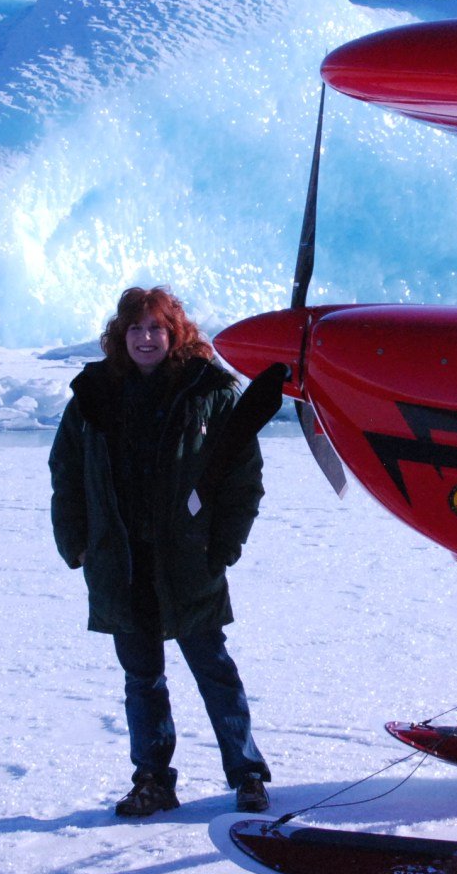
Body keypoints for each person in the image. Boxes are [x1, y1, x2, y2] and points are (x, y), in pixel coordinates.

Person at [49, 285, 287, 818]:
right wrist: (78, 543)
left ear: (174, 333)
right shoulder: (93, 394)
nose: (145, 338)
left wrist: (224, 546)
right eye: (135, 328)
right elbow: (66, 472)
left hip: (188, 558)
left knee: (214, 670)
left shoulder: (209, 392)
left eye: (156, 327)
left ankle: (247, 774)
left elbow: (243, 477)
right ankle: (153, 780)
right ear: (120, 336)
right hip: (121, 562)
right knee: (142, 680)